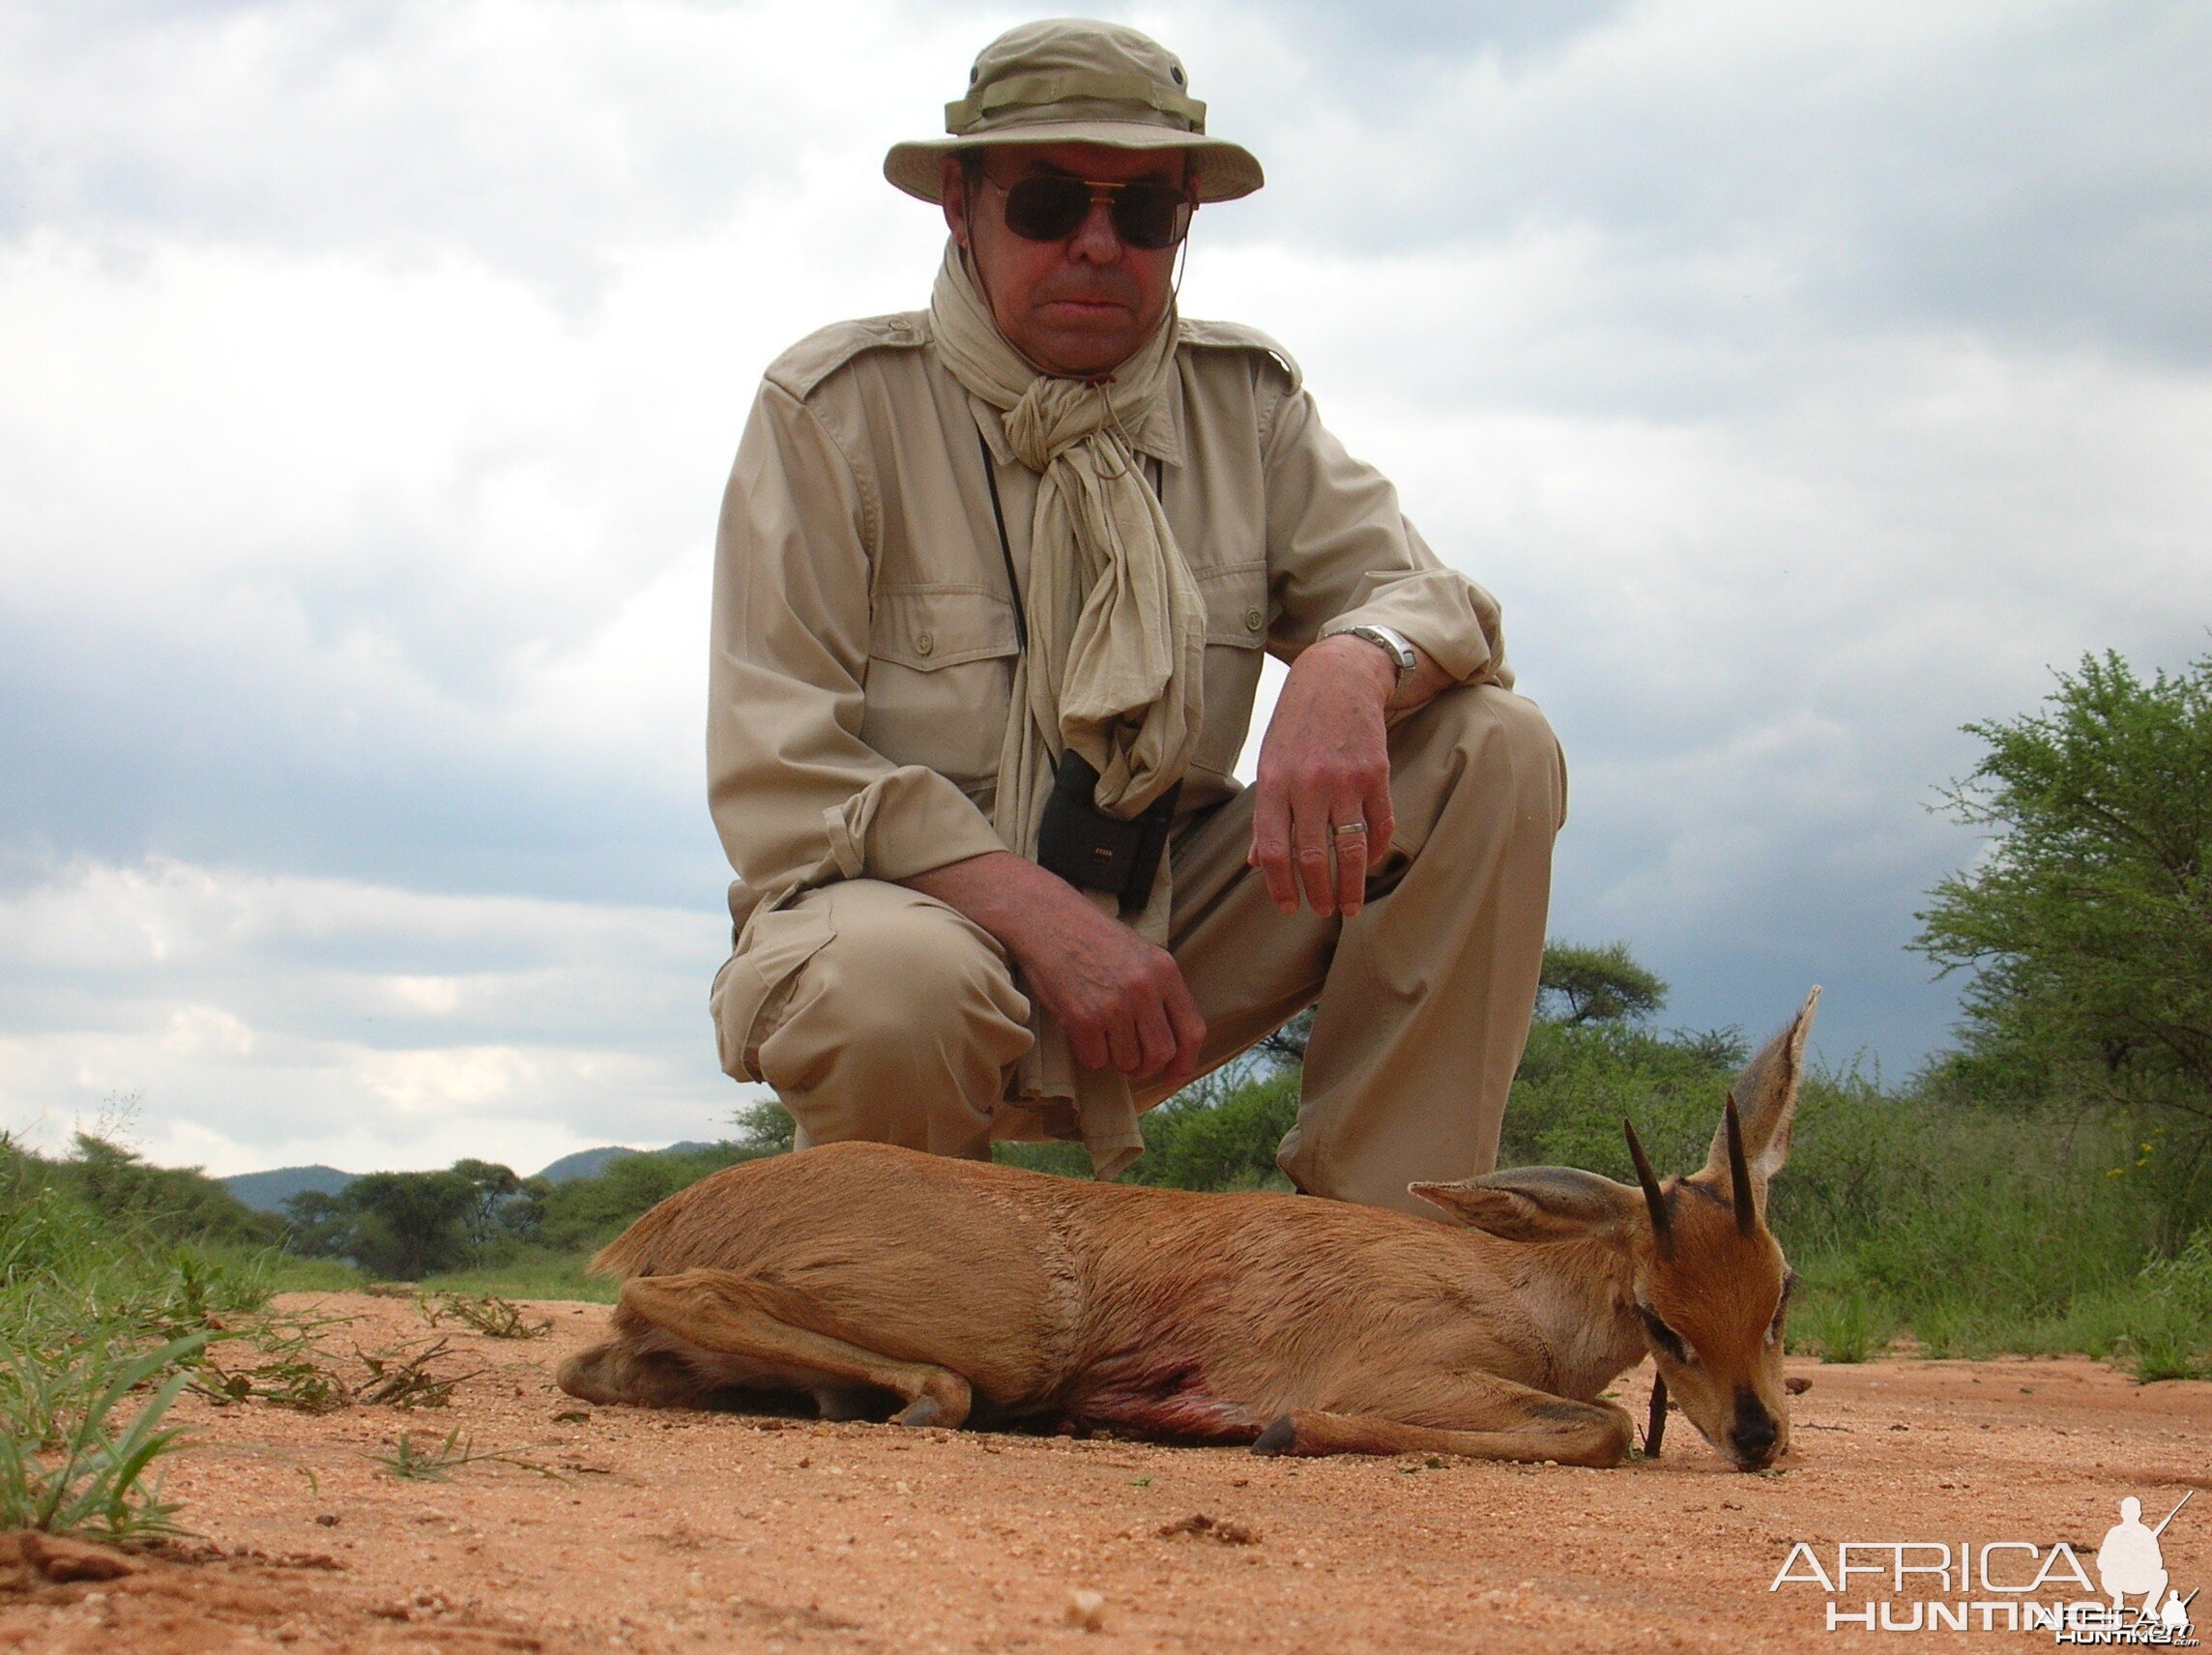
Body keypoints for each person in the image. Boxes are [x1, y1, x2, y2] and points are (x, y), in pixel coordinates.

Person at [706, 18, 1565, 1215]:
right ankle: (890, 1289)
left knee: (1490, 745)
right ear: (960, 202)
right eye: (1049, 203)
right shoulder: (832, 412)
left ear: (1184, 224)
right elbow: (781, 772)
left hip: (1166, 938)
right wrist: (1041, 916)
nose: (1098, 247)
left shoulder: (1246, 407)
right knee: (894, 984)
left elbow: (1427, 597)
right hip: (912, 945)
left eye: (1144, 213)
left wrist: (1348, 659)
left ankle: (1383, 1279)